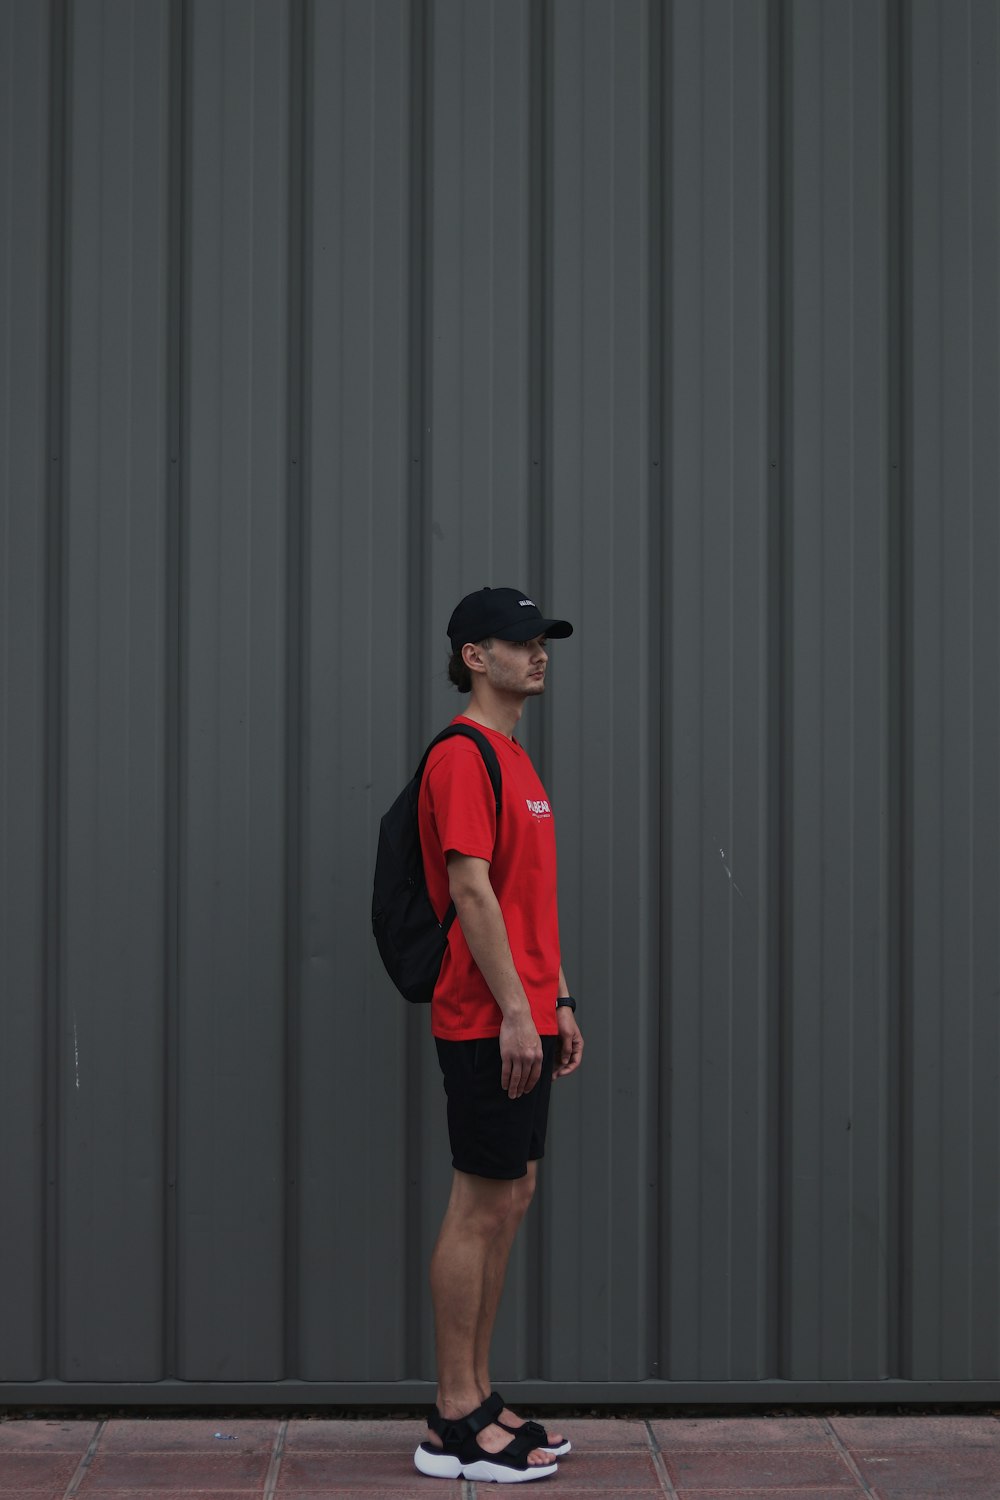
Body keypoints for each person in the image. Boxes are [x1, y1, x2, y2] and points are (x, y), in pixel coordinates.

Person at [413, 587, 584, 1485]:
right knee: (477, 1204)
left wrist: (557, 1000)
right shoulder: (462, 757)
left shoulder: (516, 758)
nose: (538, 652)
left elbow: (524, 900)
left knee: (509, 1199)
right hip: (485, 1020)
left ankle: (480, 1395)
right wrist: (518, 1011)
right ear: (475, 655)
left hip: (524, 1014)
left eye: (542, 639)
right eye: (521, 641)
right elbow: (472, 892)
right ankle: (449, 1419)